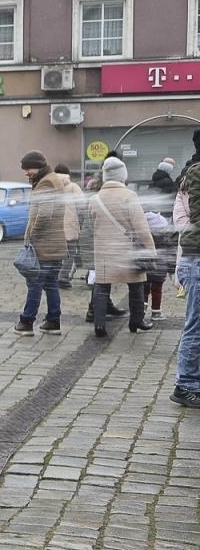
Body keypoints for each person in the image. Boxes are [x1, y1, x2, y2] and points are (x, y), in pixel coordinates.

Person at [89, 156, 155, 338]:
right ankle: (136, 321)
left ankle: (99, 325)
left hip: (104, 252)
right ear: (122, 176)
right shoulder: (129, 196)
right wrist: (151, 249)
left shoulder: (95, 199)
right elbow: (142, 228)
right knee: (136, 286)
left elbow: (90, 225)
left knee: (102, 288)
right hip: (129, 252)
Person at [13, 151, 75, 337]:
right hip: (55, 245)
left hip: (44, 246)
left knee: (35, 284)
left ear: (38, 166)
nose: (26, 173)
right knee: (51, 284)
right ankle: (53, 321)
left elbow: (44, 214)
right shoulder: (52, 179)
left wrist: (32, 235)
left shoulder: (46, 183)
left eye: (28, 169)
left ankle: (26, 322)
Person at [171, 130, 200, 408]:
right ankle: (186, 384)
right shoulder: (194, 175)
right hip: (195, 258)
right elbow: (184, 222)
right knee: (196, 325)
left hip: (192, 257)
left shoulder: (189, 177)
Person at [55, 164, 85, 288]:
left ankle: (54, 276)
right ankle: (62, 277)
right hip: (70, 226)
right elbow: (82, 206)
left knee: (56, 254)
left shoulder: (51, 187)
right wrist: (81, 222)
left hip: (54, 227)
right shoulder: (73, 187)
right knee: (70, 253)